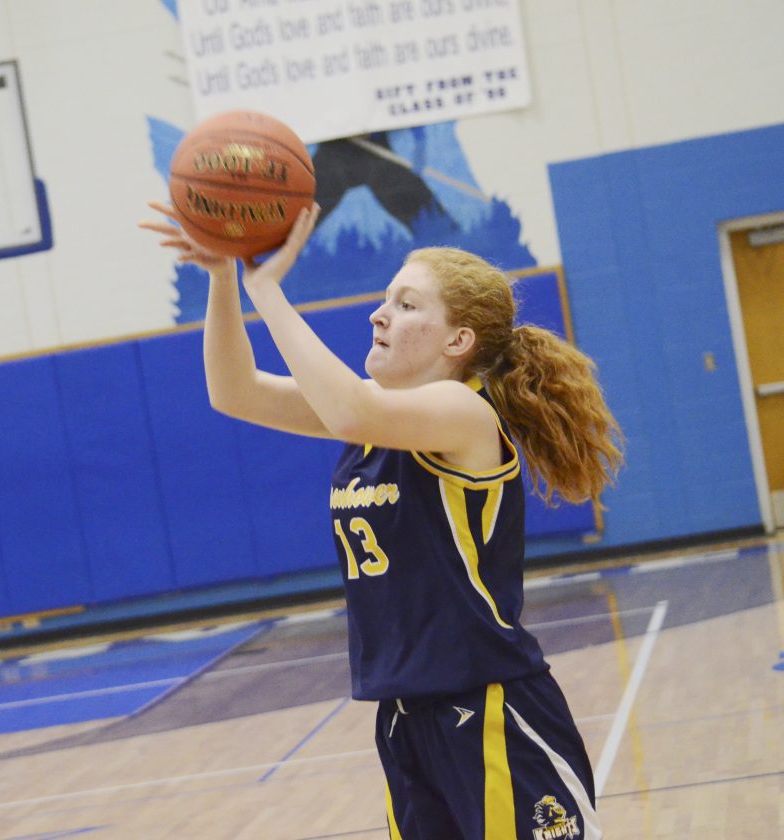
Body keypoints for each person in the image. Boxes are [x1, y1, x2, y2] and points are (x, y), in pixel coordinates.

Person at [140, 201, 622, 840]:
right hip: (404, 719)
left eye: (406, 304)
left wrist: (267, 288)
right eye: (386, 299)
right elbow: (234, 391)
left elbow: (347, 410)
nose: (379, 313)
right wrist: (224, 275)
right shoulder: (375, 419)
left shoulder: (463, 413)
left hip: (491, 709)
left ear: (458, 341)